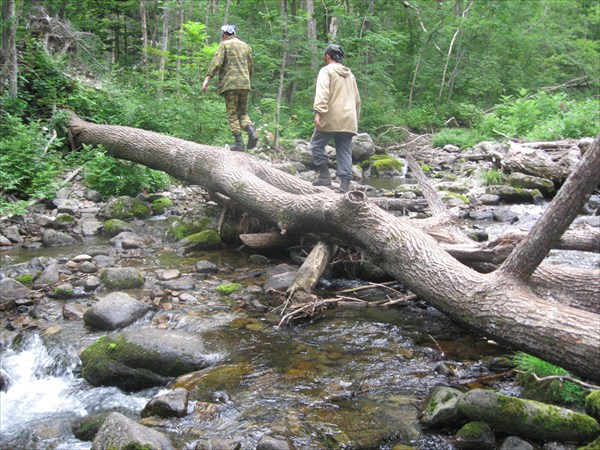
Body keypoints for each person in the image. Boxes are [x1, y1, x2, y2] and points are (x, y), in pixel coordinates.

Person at [310, 44, 361, 193]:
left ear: (327, 56)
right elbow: (357, 99)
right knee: (344, 150)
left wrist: (318, 112)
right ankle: (345, 185)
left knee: (316, 145)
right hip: (349, 118)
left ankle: (325, 177)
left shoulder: (326, 71)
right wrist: (355, 119)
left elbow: (323, 92)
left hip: (332, 116)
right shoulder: (350, 75)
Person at [202, 25, 258, 152]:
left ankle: (239, 143)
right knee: (242, 113)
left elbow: (217, 62)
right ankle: (252, 132)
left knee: (232, 114)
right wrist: (246, 81)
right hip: (245, 84)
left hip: (230, 85)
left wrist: (208, 78)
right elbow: (250, 67)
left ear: (224, 35)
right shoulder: (246, 46)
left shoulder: (224, 45)